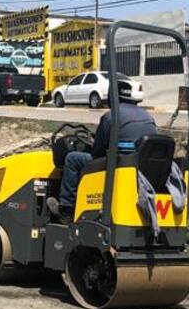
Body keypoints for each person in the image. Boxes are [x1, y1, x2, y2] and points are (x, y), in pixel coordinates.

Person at [49, 80, 157, 222]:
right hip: (141, 167)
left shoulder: (111, 116)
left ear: (112, 98)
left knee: (72, 159)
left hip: (119, 164)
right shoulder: (148, 116)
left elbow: (97, 151)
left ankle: (66, 209)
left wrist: (94, 143)